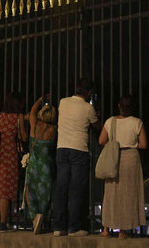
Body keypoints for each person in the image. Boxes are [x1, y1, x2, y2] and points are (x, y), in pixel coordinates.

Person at [52, 78, 102, 237]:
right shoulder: (88, 108)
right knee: (76, 189)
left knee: (61, 188)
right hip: (79, 149)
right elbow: (97, 127)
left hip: (62, 148)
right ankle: (74, 227)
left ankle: (59, 227)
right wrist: (97, 114)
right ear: (88, 92)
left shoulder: (63, 102)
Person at [98, 95, 147, 239]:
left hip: (114, 157)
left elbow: (101, 140)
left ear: (119, 105)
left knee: (110, 193)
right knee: (128, 194)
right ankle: (123, 231)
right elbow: (143, 145)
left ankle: (106, 229)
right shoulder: (137, 122)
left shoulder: (110, 121)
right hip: (131, 157)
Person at [0, 92, 28, 231]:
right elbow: (23, 137)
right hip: (10, 156)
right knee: (6, 191)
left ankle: (3, 220)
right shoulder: (17, 117)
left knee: (1, 189)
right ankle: (3, 222)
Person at [24, 95, 57, 234]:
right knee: (45, 194)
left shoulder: (35, 124)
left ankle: (34, 218)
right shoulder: (54, 130)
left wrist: (40, 100)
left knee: (30, 192)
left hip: (33, 165)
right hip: (46, 166)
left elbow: (32, 111)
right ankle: (42, 218)